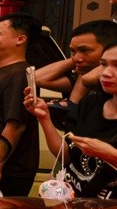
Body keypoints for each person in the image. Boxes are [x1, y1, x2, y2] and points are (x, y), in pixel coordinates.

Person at [26, 41, 117, 199]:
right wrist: (44, 118)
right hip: (71, 204)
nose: (106, 73)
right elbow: (67, 156)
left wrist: (109, 154)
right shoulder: (90, 104)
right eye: (103, 64)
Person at [0, 13, 41, 197]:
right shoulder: (1, 71)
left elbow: (16, 125)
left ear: (20, 39)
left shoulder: (20, 74)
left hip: (10, 169)